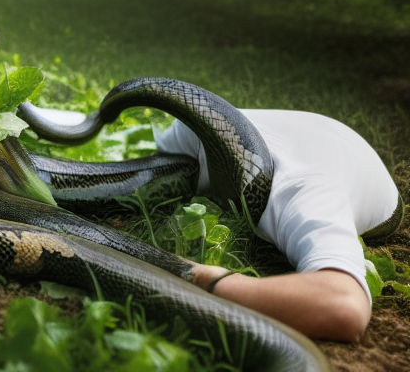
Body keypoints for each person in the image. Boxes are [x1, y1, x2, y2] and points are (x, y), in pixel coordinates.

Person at [155, 109, 402, 342]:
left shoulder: (305, 195)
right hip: (294, 128)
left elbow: (342, 303)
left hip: (354, 160)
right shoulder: (187, 130)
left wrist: (203, 278)